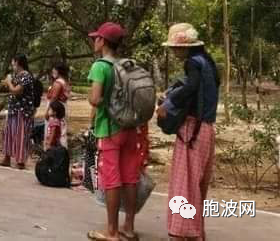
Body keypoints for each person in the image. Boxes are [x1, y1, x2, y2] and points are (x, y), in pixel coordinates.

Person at [156, 23, 219, 241]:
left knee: (185, 182)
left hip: (193, 129)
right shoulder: (208, 62)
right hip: (207, 130)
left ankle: (182, 232)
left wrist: (169, 103)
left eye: (175, 47)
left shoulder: (192, 63)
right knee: (198, 183)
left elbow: (191, 88)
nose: (173, 52)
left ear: (184, 47)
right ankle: (196, 231)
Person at [86, 22, 141, 241]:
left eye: (95, 38)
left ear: (102, 41)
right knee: (130, 178)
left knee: (112, 179)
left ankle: (111, 231)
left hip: (109, 129)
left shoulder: (100, 66)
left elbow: (96, 98)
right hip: (130, 128)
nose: (94, 42)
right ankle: (128, 227)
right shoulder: (126, 65)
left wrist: (92, 98)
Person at [0, 54, 35, 170]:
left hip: (22, 110)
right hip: (13, 109)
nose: (12, 65)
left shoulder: (26, 76)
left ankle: (20, 161)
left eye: (13, 63)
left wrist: (9, 82)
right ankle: (7, 157)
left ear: (18, 63)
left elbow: (16, 91)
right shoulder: (17, 75)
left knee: (20, 134)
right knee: (8, 132)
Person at [45, 62, 71, 149]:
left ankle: (51, 151)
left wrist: (48, 111)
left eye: (54, 70)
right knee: (62, 131)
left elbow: (54, 98)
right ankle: (62, 151)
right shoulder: (65, 82)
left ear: (58, 71)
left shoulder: (58, 83)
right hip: (62, 108)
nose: (52, 72)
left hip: (55, 109)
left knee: (53, 129)